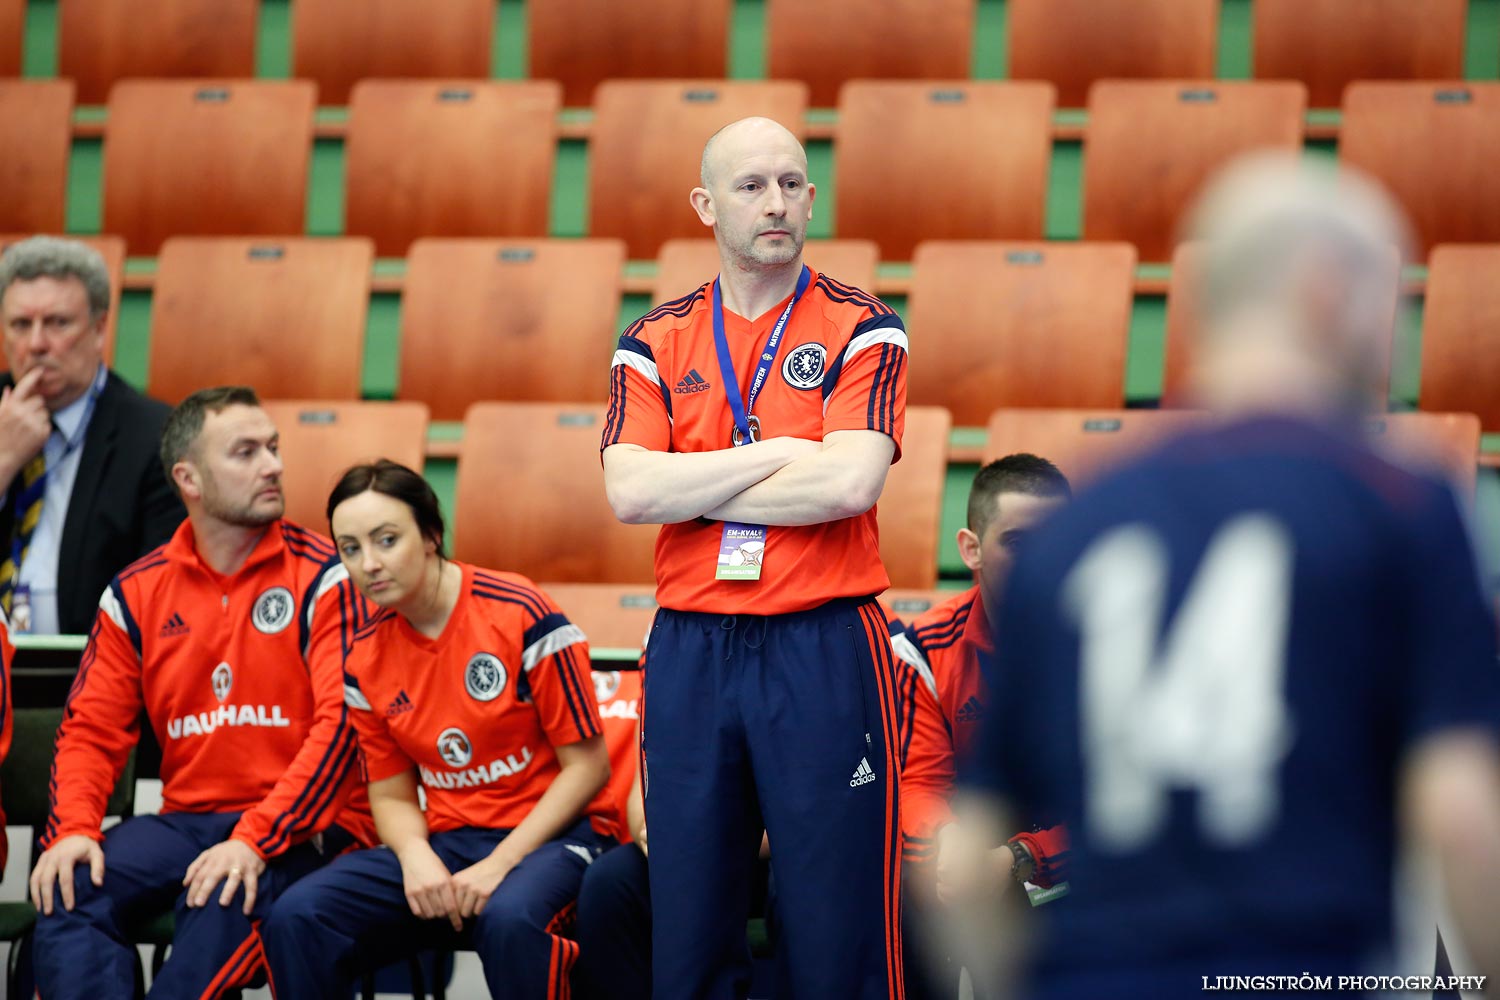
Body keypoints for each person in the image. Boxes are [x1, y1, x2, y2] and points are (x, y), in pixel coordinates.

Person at [948, 155, 1500, 997]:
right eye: (1390, 305)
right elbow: (1457, 813)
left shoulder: (1077, 525)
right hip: (1297, 968)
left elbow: (963, 850)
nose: (1397, 333)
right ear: (1326, 292)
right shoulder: (1400, 500)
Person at [602, 115, 909, 997]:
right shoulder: (654, 338)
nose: (775, 203)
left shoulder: (865, 325)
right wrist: (783, 451)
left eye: (790, 184)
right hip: (694, 649)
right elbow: (629, 493)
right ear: (705, 204)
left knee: (833, 921)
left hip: (822, 645)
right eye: (750, 186)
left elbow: (849, 486)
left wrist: (692, 483)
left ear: (810, 198)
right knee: (691, 924)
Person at [29, 385, 375, 999]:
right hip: (185, 819)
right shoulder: (136, 592)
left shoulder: (327, 577)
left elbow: (342, 731)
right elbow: (90, 730)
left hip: (306, 830)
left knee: (219, 898)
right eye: (245, 453)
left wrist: (255, 837)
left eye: (272, 448)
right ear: (187, 478)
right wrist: (73, 829)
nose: (273, 465)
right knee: (70, 886)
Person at [261, 460, 618, 998]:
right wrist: (414, 856)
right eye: (350, 548)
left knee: (510, 920)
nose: (369, 564)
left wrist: (500, 864)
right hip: (448, 842)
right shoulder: (364, 657)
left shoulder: (520, 611)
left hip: (556, 838)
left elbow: (588, 768)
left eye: (386, 540)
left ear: (431, 535)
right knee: (298, 915)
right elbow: (390, 793)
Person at [889, 456, 1072, 999]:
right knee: (897, 896)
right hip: (972, 852)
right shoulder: (923, 647)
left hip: (1071, 863)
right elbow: (919, 782)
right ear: (970, 549)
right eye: (1015, 543)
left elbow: (1117, 806)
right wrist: (951, 846)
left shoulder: (1109, 641)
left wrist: (1018, 858)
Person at [0, 236, 183, 635]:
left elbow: (163, 595)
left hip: (96, 672)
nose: (36, 344)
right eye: (20, 324)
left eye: (57, 323)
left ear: (100, 329)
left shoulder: (153, 436)